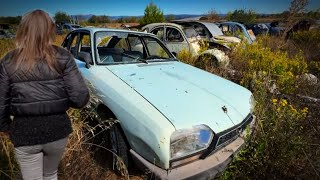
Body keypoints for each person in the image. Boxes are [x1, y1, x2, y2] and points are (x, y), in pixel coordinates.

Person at [0, 9, 89, 180]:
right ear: (50, 30)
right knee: (50, 174)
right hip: (58, 129)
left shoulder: (8, 60)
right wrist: (60, 103)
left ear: (23, 29)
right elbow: (80, 98)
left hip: (23, 132)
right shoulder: (63, 56)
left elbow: (0, 103)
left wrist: (5, 128)